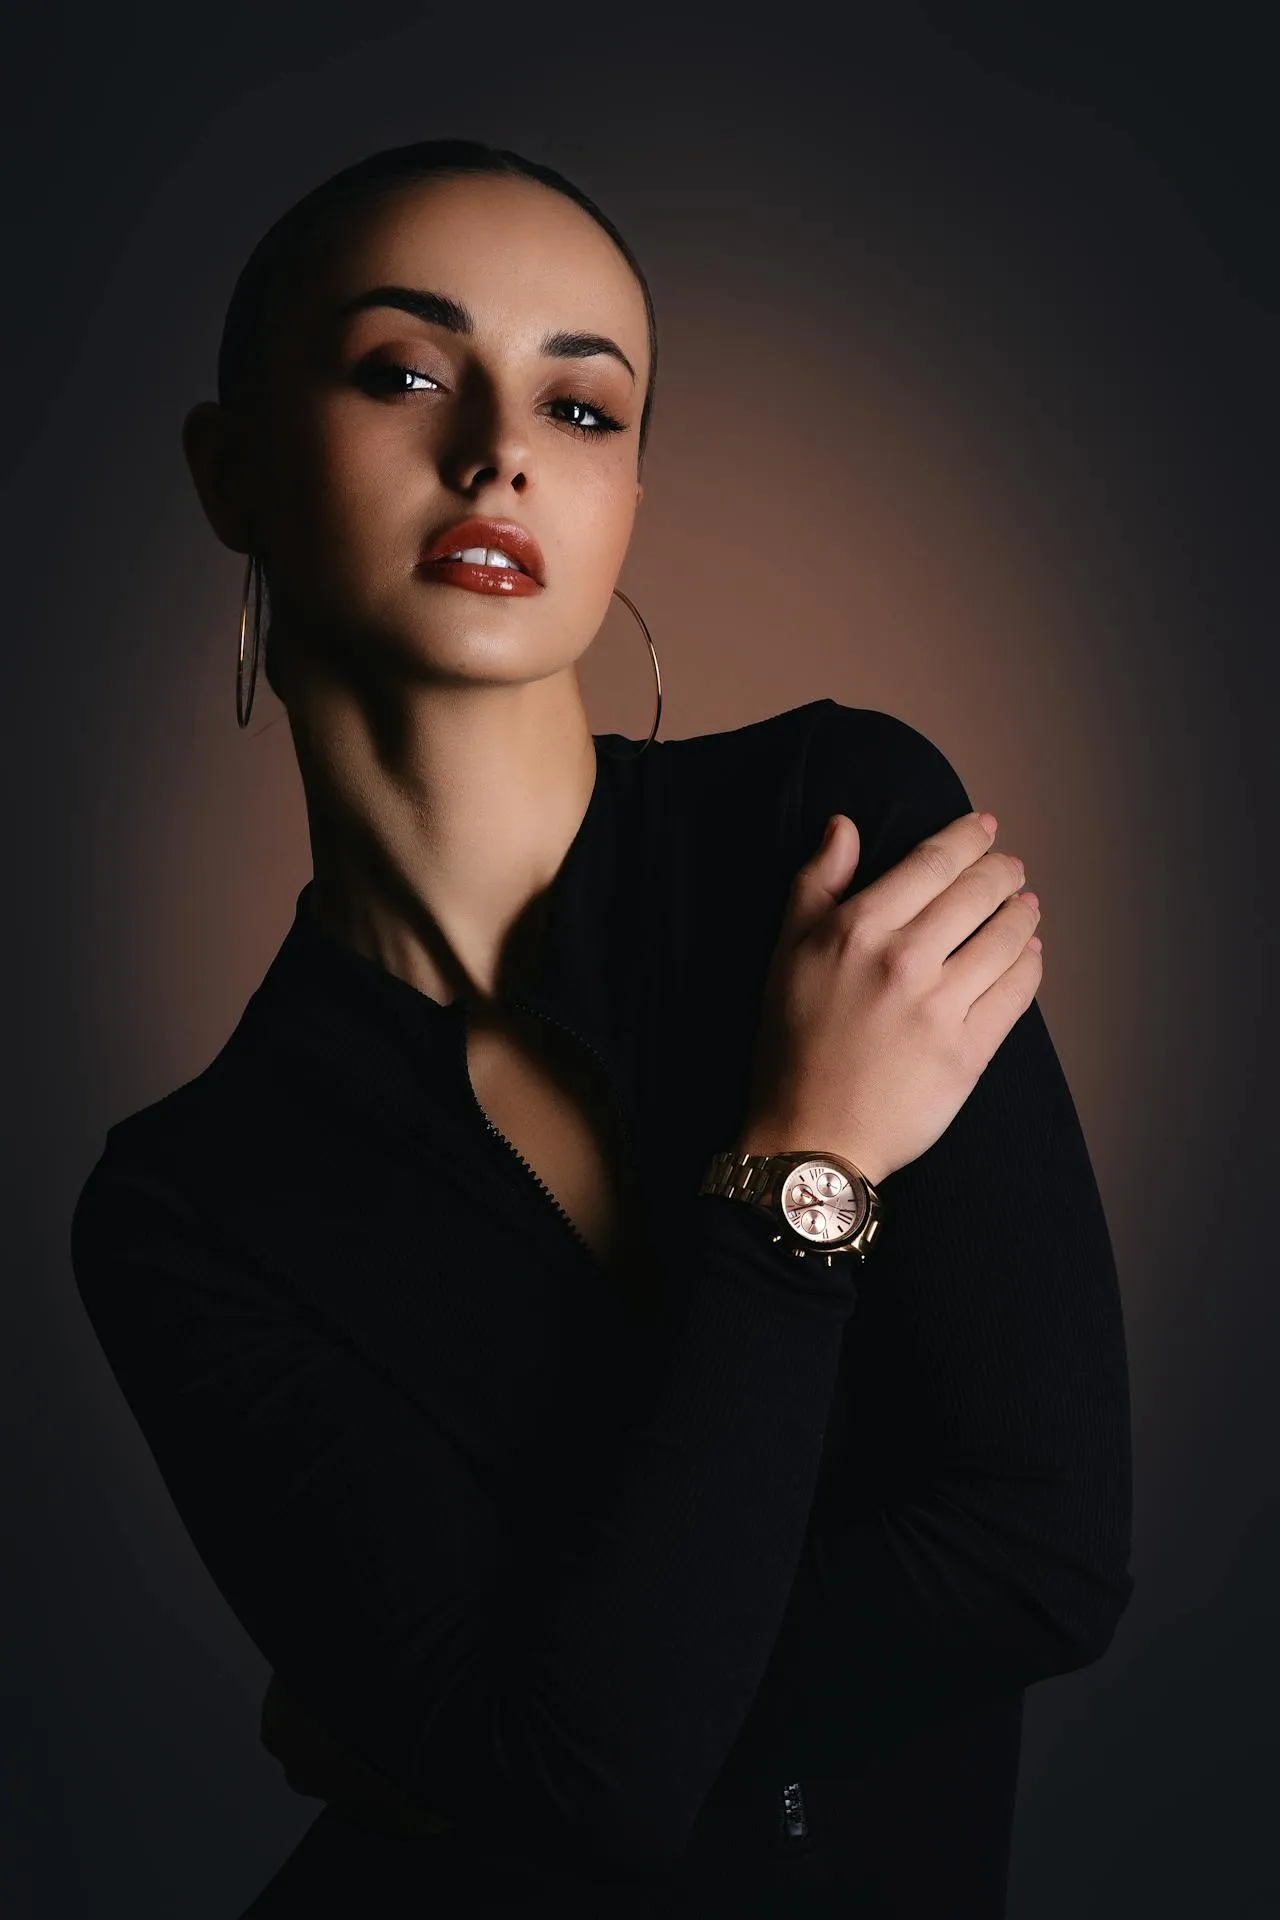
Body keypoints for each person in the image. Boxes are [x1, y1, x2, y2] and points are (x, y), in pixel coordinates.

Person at [69, 139, 1134, 1917]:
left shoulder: (836, 830)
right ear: (231, 469)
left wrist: (508, 1740)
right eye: (406, 374)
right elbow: (582, 1785)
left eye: (579, 408)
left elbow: (1043, 1561)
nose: (499, 452)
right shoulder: (186, 1208)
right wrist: (809, 1159)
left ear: (630, 496)